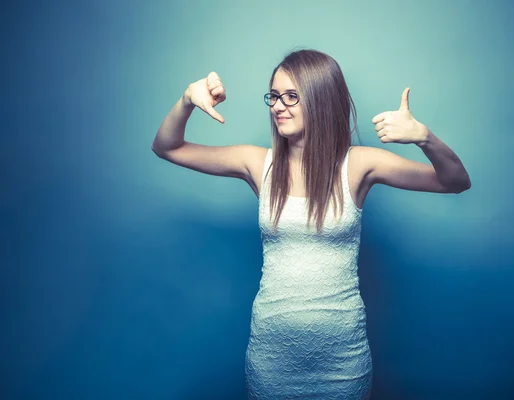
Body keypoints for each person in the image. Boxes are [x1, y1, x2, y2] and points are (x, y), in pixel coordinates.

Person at [151, 49, 471, 400]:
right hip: (272, 360)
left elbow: (454, 181)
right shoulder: (257, 164)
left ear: (321, 99)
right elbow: (168, 147)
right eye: (273, 96)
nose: (278, 105)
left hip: (342, 362)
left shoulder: (359, 165)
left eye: (291, 96)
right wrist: (186, 100)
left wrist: (424, 137)